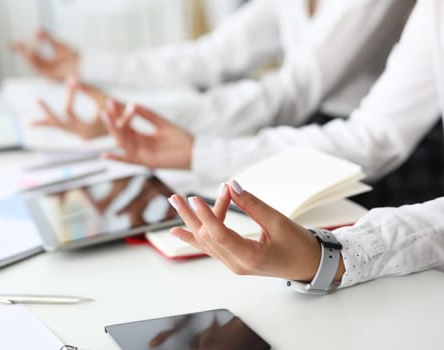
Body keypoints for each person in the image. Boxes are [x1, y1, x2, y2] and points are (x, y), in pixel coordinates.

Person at [99, 0, 444, 291]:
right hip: (340, 139)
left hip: (409, 165)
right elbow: (371, 134)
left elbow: (294, 89)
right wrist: (194, 151)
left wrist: (335, 255)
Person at [12, 0, 414, 140]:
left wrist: (131, 114)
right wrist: (85, 64)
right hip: (312, 128)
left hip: (387, 149)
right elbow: (212, 55)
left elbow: (291, 92)